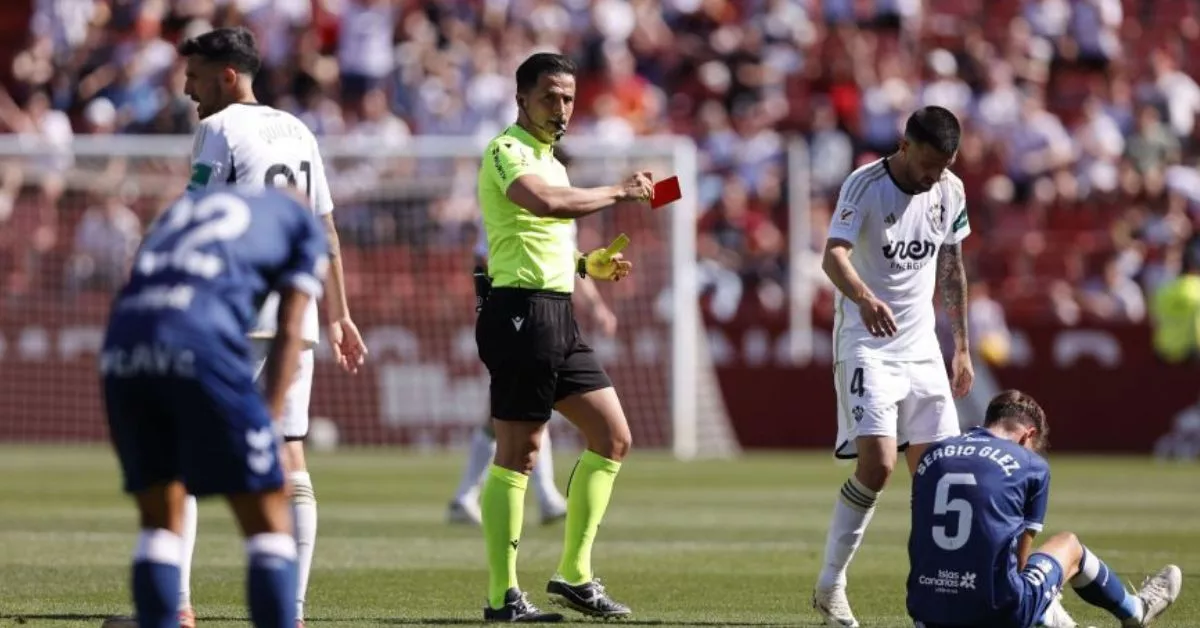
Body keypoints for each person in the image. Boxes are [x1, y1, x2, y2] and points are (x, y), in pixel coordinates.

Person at [179, 26, 368, 628]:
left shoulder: (219, 129)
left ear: (227, 75)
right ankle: (293, 610)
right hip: (297, 314)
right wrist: (339, 313)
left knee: (183, 451)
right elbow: (327, 230)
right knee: (290, 454)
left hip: (232, 310)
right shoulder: (300, 130)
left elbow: (196, 214)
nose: (187, 88)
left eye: (195, 76)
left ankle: (175, 608)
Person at [473, 51, 654, 622]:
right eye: (550, 96)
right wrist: (621, 192)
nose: (562, 107)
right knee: (519, 455)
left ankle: (573, 576)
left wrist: (586, 266)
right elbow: (544, 205)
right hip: (519, 315)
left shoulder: (554, 161)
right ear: (520, 98)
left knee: (613, 436)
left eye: (569, 97)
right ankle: (502, 596)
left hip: (558, 315)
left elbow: (543, 237)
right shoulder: (506, 151)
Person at [100, 186, 329, 628]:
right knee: (266, 517)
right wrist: (269, 417)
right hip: (198, 336)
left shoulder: (187, 206)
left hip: (123, 340)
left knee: (158, 521)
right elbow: (291, 327)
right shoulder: (304, 223)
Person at [815, 106, 975, 628]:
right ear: (906, 147)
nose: (935, 175)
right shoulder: (864, 185)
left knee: (939, 478)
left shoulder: (950, 190)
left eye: (944, 164)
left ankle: (936, 600)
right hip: (867, 341)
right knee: (879, 465)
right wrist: (862, 297)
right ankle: (830, 585)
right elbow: (833, 255)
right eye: (929, 163)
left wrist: (962, 347)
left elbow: (952, 267)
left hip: (923, 346)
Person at [907, 389, 1183, 628]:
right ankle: (1136, 610)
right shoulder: (1030, 464)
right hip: (995, 615)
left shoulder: (934, 454)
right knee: (1068, 544)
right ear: (1029, 435)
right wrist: (1044, 596)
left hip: (926, 613)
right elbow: (1019, 563)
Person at [448, 164, 618, 528]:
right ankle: (543, 499)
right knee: (525, 412)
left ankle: (468, 495)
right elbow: (482, 258)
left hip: (552, 317)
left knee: (509, 414)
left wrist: (596, 298)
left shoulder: (562, 208)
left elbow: (566, 260)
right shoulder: (508, 199)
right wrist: (489, 307)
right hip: (515, 316)